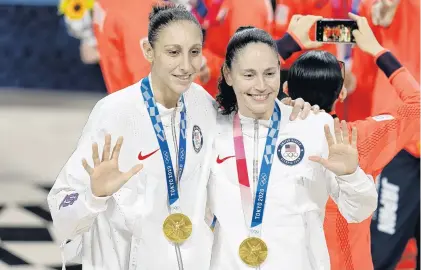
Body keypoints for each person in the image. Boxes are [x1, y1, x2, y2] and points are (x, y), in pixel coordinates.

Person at [49, 5, 218, 269]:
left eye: (194, 52)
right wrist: (94, 195)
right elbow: (61, 205)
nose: (186, 66)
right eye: (173, 52)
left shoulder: (203, 105)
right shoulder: (114, 113)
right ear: (148, 51)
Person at [207, 25, 378, 269]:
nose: (261, 85)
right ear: (228, 74)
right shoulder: (210, 128)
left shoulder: (314, 126)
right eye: (248, 75)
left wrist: (350, 176)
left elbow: (358, 211)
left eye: (269, 73)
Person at [277, 12, 420, 270]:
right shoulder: (360, 138)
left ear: (286, 90)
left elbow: (235, 82)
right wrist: (377, 49)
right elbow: (417, 105)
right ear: (342, 93)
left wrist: (288, 44)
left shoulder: (271, 133)